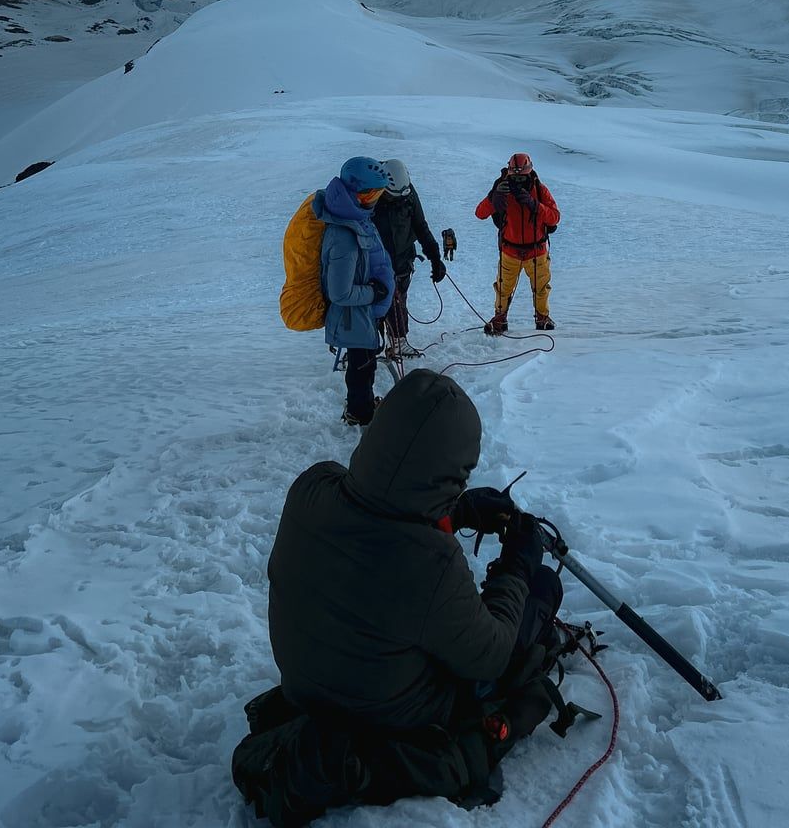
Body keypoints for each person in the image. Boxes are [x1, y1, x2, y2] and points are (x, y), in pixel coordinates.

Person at [233, 371, 565, 823]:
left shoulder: (313, 486)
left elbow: (377, 503)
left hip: (308, 687)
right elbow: (491, 656)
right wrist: (518, 564)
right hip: (392, 715)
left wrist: (460, 507)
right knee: (542, 589)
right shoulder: (428, 563)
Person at [281, 156, 396, 426]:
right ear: (361, 194)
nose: (378, 199)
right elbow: (339, 293)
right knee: (361, 368)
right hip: (354, 314)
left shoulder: (354, 217)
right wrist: (375, 293)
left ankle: (360, 407)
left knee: (364, 364)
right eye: (375, 193)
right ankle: (360, 412)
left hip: (363, 313)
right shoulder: (343, 235)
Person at [476, 152, 560, 335]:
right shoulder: (501, 189)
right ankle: (500, 318)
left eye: (522, 178)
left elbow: (555, 218)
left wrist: (535, 206)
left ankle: (542, 317)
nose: (518, 182)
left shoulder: (540, 190)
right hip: (510, 250)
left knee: (541, 288)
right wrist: (493, 197)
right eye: (515, 177)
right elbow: (480, 213)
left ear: (530, 173)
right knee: (503, 288)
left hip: (536, 251)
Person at [371, 159, 447, 361]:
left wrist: (435, 258)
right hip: (375, 263)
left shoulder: (408, 192)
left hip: (403, 261)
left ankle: (398, 342)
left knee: (398, 302)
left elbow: (420, 225)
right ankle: (364, 349)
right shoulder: (370, 194)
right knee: (372, 304)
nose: (398, 198)